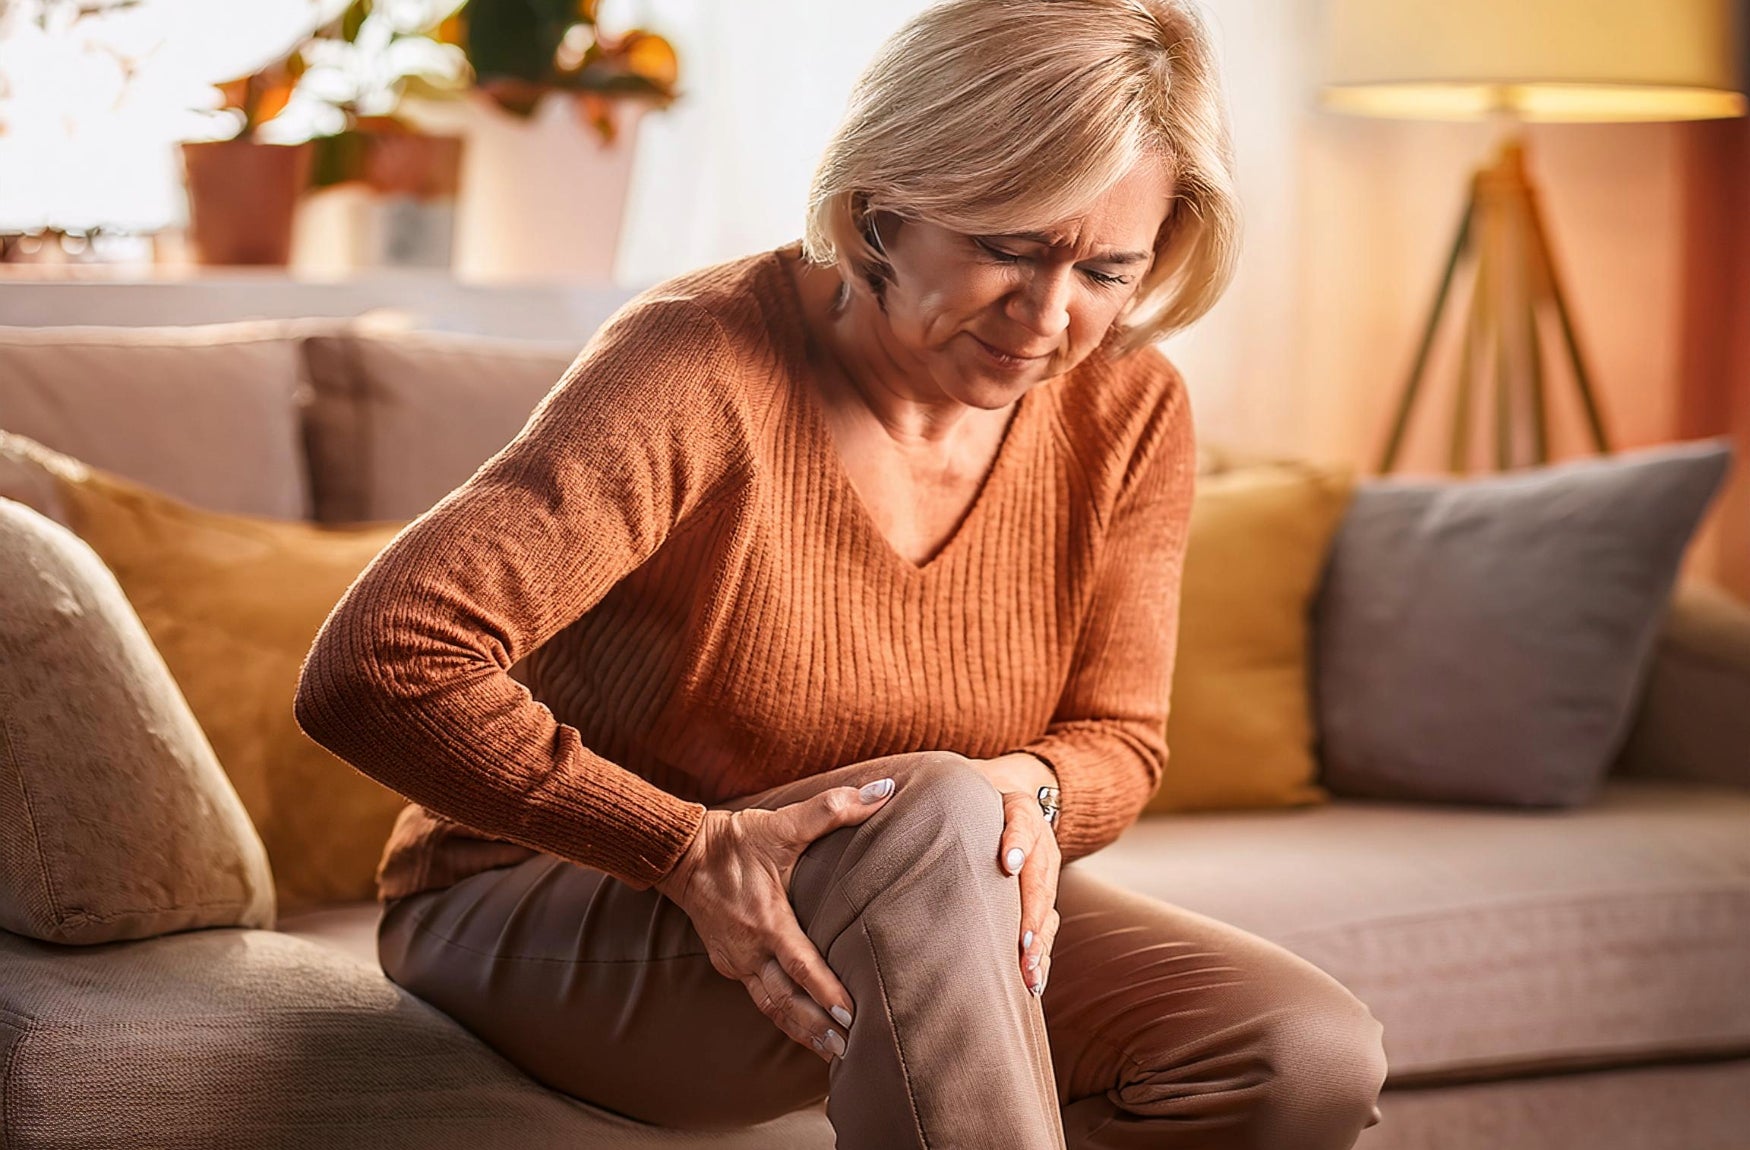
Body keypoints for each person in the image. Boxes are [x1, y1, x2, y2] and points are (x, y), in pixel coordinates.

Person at [293, 1, 1388, 1146]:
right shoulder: (698, 363)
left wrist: (1027, 795)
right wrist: (683, 845)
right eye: (1007, 247)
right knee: (936, 814)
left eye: (1106, 271)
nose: (1047, 317)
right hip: (552, 907)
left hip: (912, 885)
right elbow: (379, 662)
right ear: (878, 210)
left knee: (1289, 1055)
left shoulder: (1125, 400)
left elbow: (1117, 736)